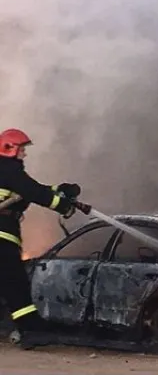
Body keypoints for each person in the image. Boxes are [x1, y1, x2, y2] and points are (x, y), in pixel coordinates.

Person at [0, 128, 81, 349]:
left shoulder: (8, 172)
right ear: (9, 148)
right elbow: (34, 192)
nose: (24, 153)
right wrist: (63, 206)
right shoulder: (8, 169)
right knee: (14, 282)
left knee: (11, 282)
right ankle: (30, 331)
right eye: (22, 149)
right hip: (2, 237)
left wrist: (60, 189)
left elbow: (33, 189)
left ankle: (31, 327)